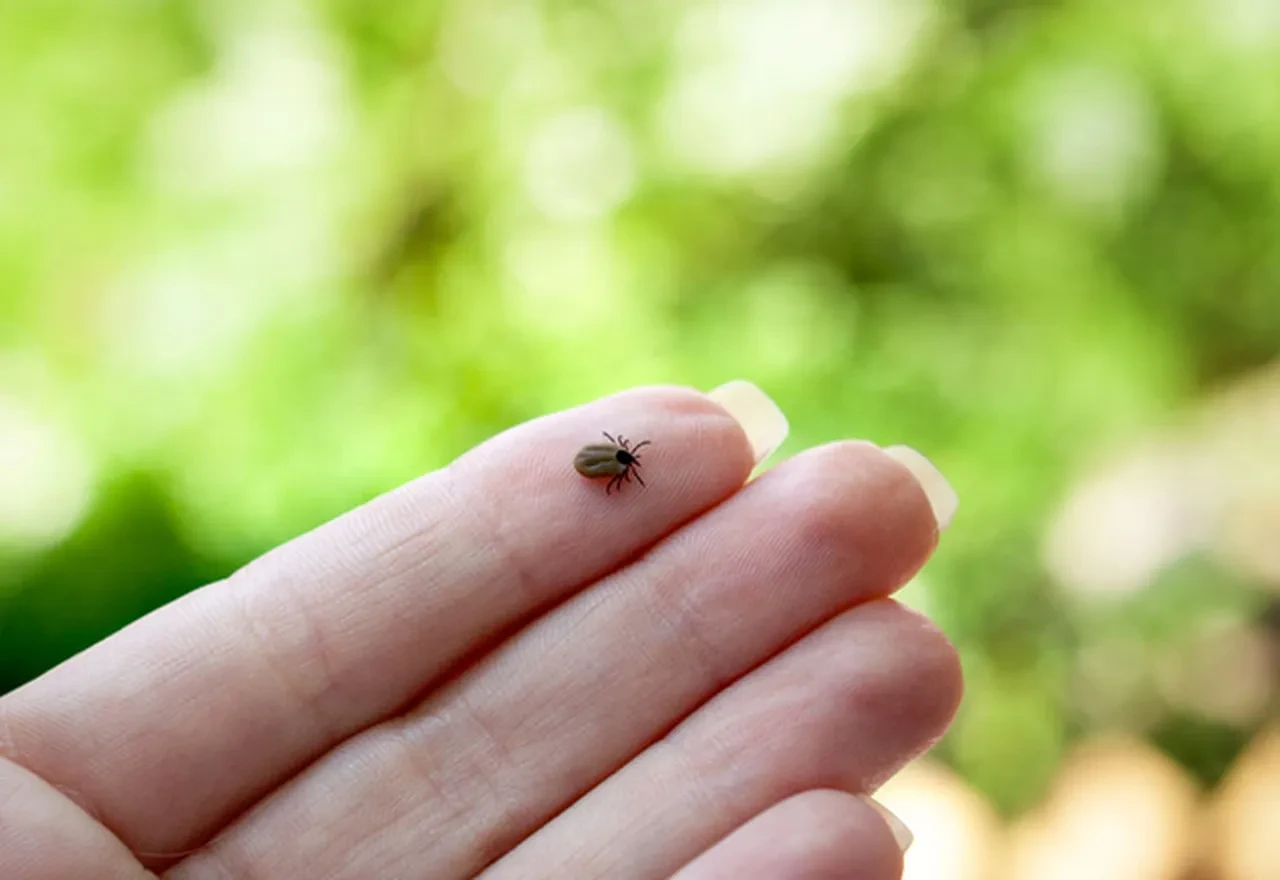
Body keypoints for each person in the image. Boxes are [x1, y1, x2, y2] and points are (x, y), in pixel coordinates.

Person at [0, 381, 961, 880]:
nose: (623, 460)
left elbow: (610, 465)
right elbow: (612, 464)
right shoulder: (616, 466)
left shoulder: (613, 466)